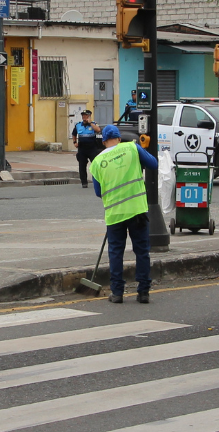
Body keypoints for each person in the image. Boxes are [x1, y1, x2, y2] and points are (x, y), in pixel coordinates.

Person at [90, 125, 158, 304]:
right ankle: (143, 292)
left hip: (115, 213)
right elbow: (153, 164)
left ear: (104, 141)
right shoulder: (132, 147)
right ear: (119, 138)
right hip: (137, 209)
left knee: (116, 252)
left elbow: (98, 192)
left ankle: (117, 292)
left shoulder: (97, 161)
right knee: (142, 251)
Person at [72, 110, 100, 189]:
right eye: (83, 116)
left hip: (92, 148)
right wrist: (74, 142)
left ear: (90, 116)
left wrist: (90, 123)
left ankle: (97, 181)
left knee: (95, 165)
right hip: (82, 148)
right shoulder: (78, 125)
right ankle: (84, 182)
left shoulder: (93, 124)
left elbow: (98, 130)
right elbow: (74, 134)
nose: (85, 118)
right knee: (82, 166)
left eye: (86, 116)